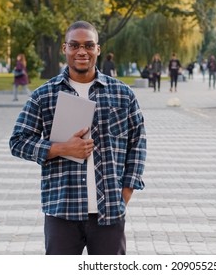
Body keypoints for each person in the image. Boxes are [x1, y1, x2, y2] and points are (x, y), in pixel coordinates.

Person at [9, 21, 147, 255]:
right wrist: (62, 148)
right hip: (62, 211)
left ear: (98, 49)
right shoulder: (45, 95)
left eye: (88, 45)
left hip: (109, 212)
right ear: (65, 48)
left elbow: (138, 142)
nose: (81, 51)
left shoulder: (123, 94)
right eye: (74, 45)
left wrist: (127, 191)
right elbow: (18, 141)